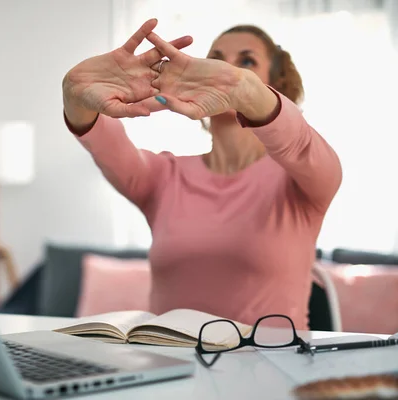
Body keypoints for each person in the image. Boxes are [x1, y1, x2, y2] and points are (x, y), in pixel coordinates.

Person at [61, 19, 342, 330]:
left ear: (276, 85)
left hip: (271, 368)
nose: (227, 71)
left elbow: (301, 143)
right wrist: (76, 96)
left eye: (246, 62)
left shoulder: (300, 179)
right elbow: (104, 141)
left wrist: (244, 90)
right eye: (217, 60)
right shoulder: (164, 178)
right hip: (171, 366)